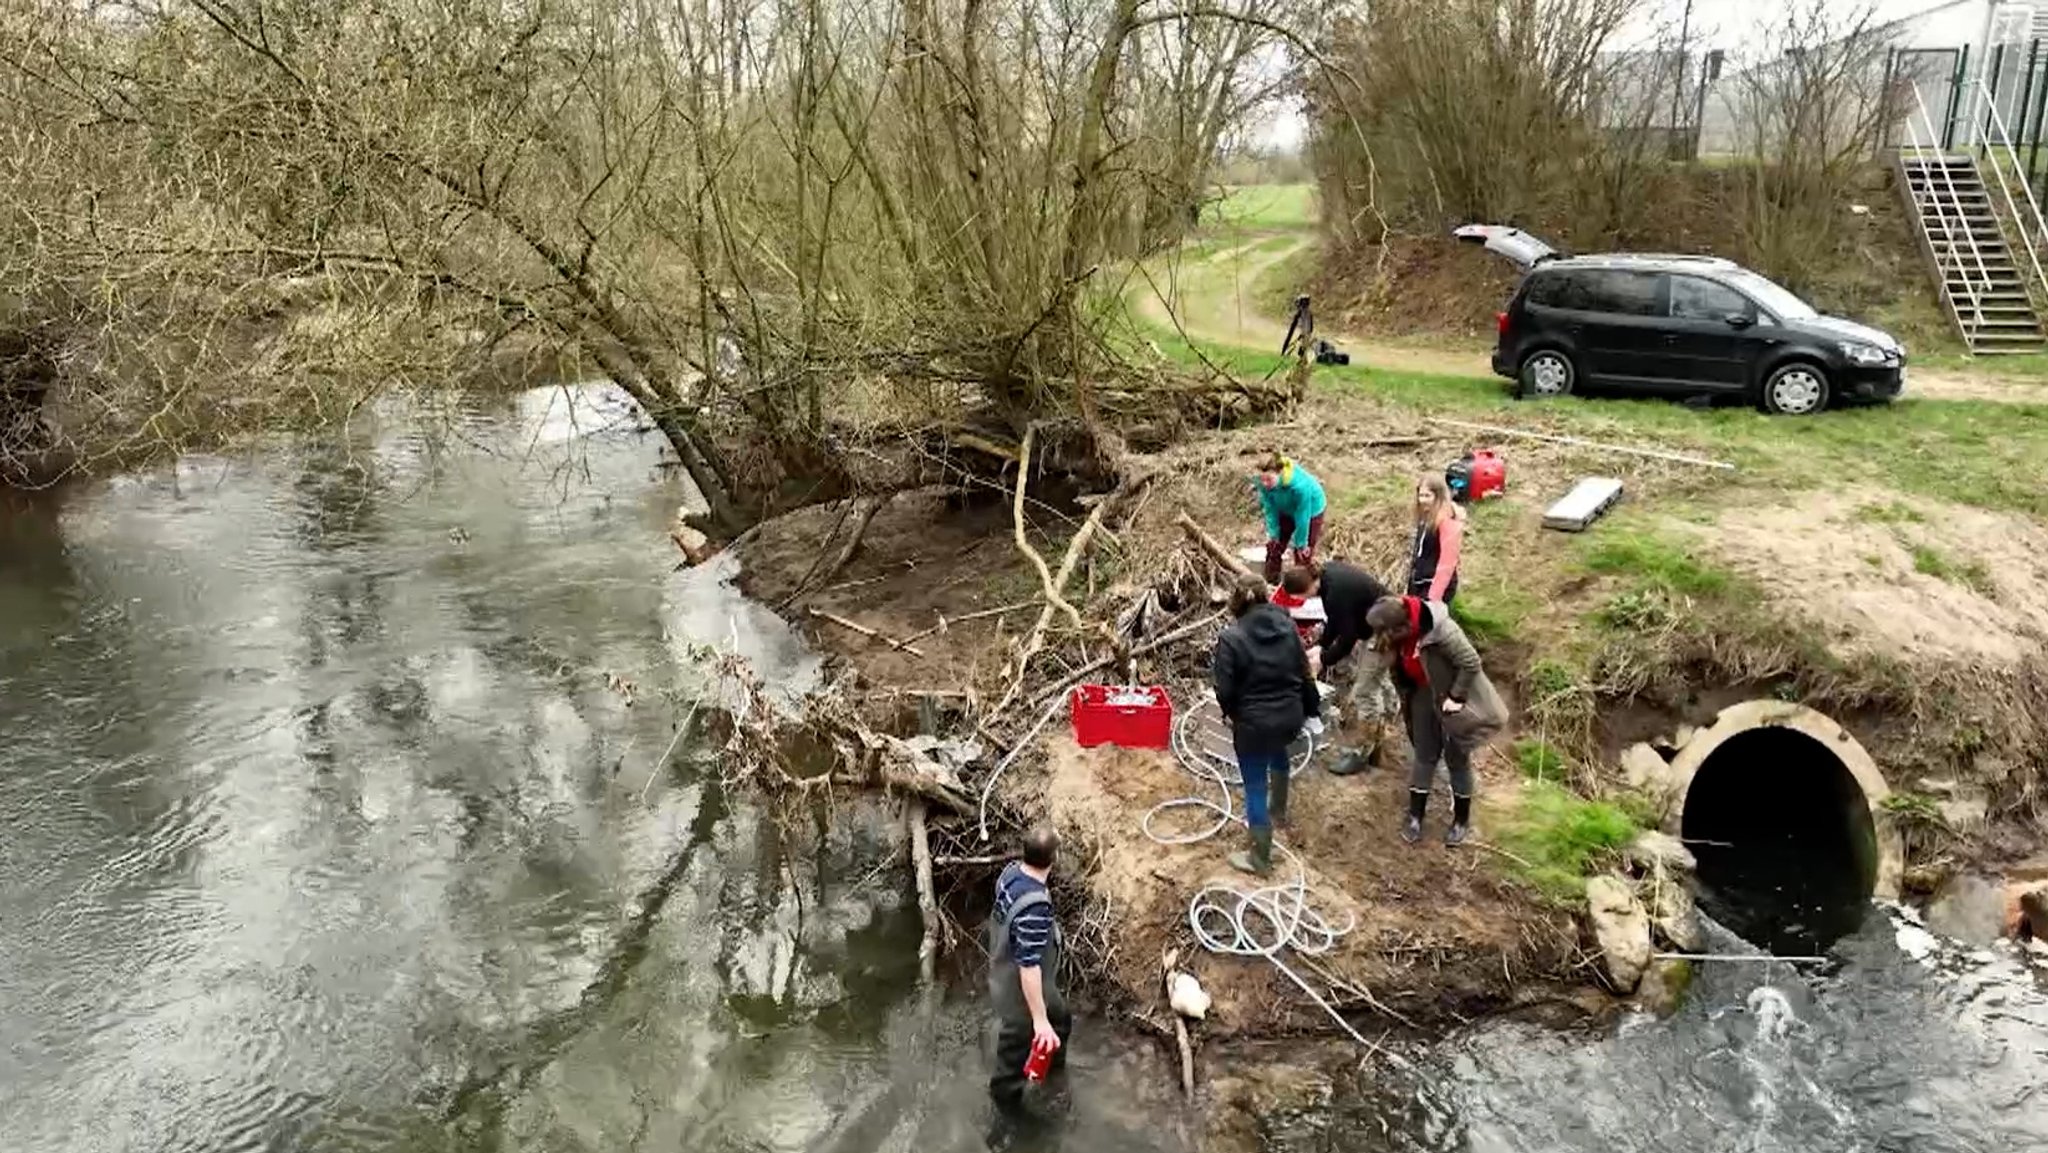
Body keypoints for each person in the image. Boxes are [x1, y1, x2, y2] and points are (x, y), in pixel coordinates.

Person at [1365, 594, 1506, 847]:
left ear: (1402, 627)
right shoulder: (1398, 632)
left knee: (1456, 758)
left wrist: (1456, 696)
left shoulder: (1442, 629)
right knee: (1424, 753)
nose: (1380, 639)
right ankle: (1416, 816)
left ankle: (1461, 820)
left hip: (1451, 697)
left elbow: (1471, 662)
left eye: (1384, 633)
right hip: (1421, 694)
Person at [1212, 574, 1321, 873]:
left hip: (1254, 725)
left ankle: (1260, 857)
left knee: (1255, 785)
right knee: (1277, 748)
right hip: (1290, 717)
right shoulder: (1287, 625)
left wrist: (1234, 715)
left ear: (1235, 603)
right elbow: (1304, 670)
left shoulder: (1231, 638)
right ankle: (1279, 811)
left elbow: (1224, 691)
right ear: (1267, 596)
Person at [1284, 561, 1396, 776]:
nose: (1300, 601)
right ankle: (1380, 736)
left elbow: (1348, 637)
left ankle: (1362, 753)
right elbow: (1336, 620)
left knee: (1365, 692)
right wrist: (1321, 646)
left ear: (1306, 589)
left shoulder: (1335, 592)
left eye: (1299, 597)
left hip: (1384, 631)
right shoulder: (1328, 576)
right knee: (1376, 681)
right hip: (1377, 622)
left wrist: (1324, 659)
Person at [988, 825, 1070, 1116]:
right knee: (1011, 1060)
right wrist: (1038, 1020)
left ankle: (1053, 1074)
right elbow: (1029, 967)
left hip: (1013, 974)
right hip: (1019, 993)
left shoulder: (1010, 874)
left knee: (1060, 1017)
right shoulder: (1034, 910)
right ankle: (1007, 1118)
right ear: (1054, 858)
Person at [1255, 453, 1328, 585]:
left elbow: (1303, 516)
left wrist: (1301, 544)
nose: (1265, 484)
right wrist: (1273, 533)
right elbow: (1269, 508)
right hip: (1285, 507)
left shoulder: (1299, 486)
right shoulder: (1263, 483)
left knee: (1302, 554)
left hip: (1311, 509)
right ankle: (1270, 583)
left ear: (1280, 473)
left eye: (1269, 480)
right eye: (1262, 479)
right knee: (1274, 547)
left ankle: (1302, 587)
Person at [1407, 474, 1466, 604]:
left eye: (1427, 496)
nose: (1422, 500)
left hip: (1435, 585)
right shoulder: (1425, 518)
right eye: (1421, 495)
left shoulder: (1447, 522)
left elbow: (1447, 562)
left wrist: (1434, 597)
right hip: (1419, 582)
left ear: (1438, 497)